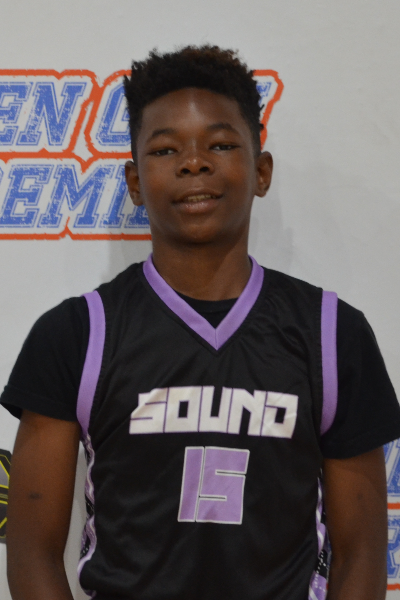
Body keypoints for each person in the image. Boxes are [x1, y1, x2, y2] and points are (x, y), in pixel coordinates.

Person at [2, 45, 400, 600]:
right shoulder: (76, 334)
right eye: (166, 149)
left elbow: (361, 556)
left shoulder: (334, 335)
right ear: (135, 182)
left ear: (261, 171)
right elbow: (30, 556)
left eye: (220, 144)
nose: (194, 163)